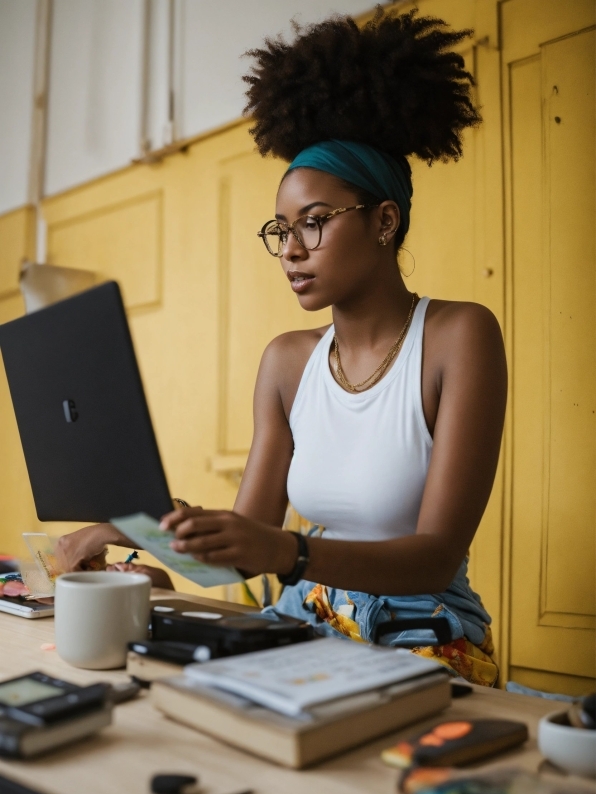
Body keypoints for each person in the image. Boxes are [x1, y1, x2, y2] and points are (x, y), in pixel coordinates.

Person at [56, 9, 506, 685]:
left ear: (385, 221)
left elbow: (433, 559)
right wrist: (132, 532)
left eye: (316, 224)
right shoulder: (287, 362)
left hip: (422, 642)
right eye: (281, 229)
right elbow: (243, 550)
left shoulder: (458, 337)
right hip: (300, 636)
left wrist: (287, 552)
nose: (291, 250)